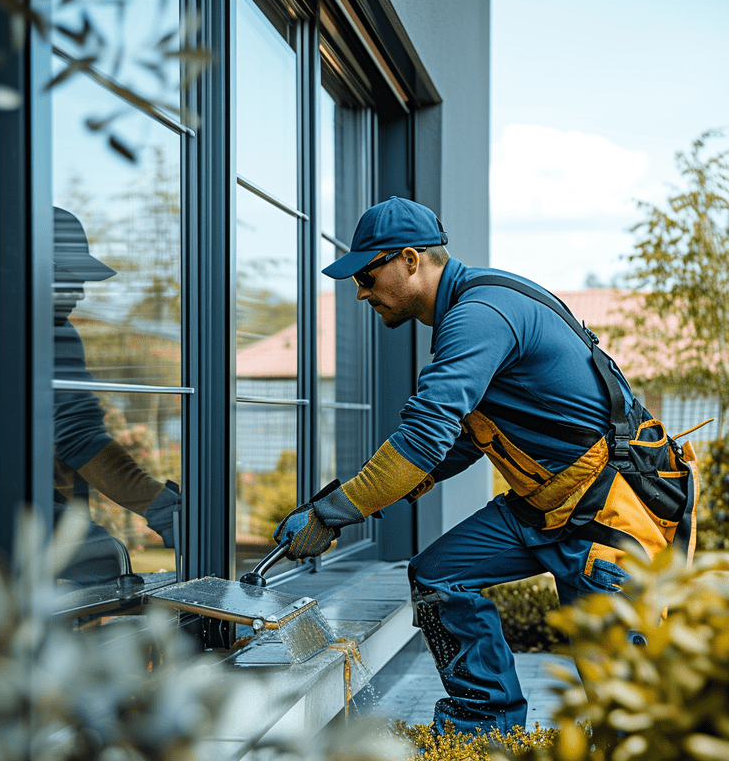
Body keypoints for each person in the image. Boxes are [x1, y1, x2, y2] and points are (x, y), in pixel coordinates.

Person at [273, 196, 699, 736]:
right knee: (437, 576)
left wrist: (329, 513)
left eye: (366, 274)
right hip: (540, 508)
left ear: (409, 259)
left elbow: (424, 436)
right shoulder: (469, 312)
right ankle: (487, 727)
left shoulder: (479, 315)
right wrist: (386, 490)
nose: (359, 291)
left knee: (625, 714)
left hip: (607, 515)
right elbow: (465, 439)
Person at [53, 206, 180, 584]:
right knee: (102, 562)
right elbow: (77, 436)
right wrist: (162, 507)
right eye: (68, 276)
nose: (79, 290)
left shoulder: (32, 330)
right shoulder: (48, 337)